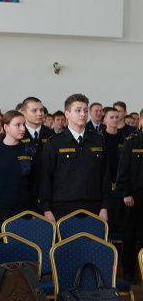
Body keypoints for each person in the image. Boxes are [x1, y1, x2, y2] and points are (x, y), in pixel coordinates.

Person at [39, 94, 110, 222]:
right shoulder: (54, 143)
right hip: (63, 207)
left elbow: (105, 176)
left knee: (93, 242)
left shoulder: (99, 140)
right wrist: (47, 209)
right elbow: (46, 179)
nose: (83, 114)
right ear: (67, 114)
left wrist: (105, 206)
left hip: (94, 206)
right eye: (78, 110)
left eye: (85, 110)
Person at [0, 111, 37, 230]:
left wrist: (34, 210)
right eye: (18, 125)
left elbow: (35, 183)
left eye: (24, 125)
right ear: (6, 127)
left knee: (21, 245)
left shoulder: (29, 149)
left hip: (23, 209)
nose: (23, 129)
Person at [116, 130, 143, 284]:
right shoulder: (132, 141)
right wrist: (126, 193)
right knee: (131, 236)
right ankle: (129, 274)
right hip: (135, 196)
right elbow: (123, 169)